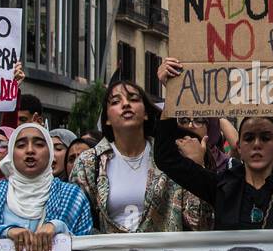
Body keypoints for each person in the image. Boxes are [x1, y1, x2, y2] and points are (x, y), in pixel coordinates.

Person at [154, 113, 273, 230]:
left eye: (265, 138)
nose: (256, 145)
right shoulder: (222, 186)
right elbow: (166, 159)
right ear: (239, 145)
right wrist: (171, 98)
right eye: (249, 138)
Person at [70, 78, 209, 233]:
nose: (126, 104)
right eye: (116, 102)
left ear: (146, 114)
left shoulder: (173, 155)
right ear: (107, 118)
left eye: (134, 99)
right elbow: (75, 221)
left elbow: (200, 224)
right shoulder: (89, 162)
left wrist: (197, 167)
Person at [0, 123, 93, 251]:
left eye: (39, 144)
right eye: (21, 145)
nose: (30, 150)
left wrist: (57, 227)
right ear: (11, 153)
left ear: (50, 153)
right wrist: (7, 232)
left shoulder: (73, 196)